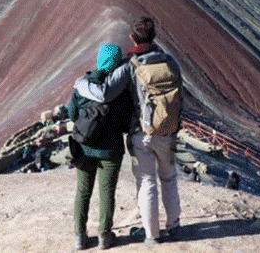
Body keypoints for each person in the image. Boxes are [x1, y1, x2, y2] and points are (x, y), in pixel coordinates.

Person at [75, 17, 182, 245]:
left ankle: (151, 235)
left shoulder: (130, 66)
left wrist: (80, 84)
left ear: (132, 37)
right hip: (168, 131)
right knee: (169, 178)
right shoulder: (170, 62)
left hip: (141, 133)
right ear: (154, 36)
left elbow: (105, 93)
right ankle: (174, 226)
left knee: (146, 181)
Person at [68, 44, 132, 250]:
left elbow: (72, 115)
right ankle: (104, 237)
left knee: (83, 190)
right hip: (111, 150)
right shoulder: (120, 89)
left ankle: (80, 237)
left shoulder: (83, 85)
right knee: (107, 192)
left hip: (84, 147)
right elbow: (126, 122)